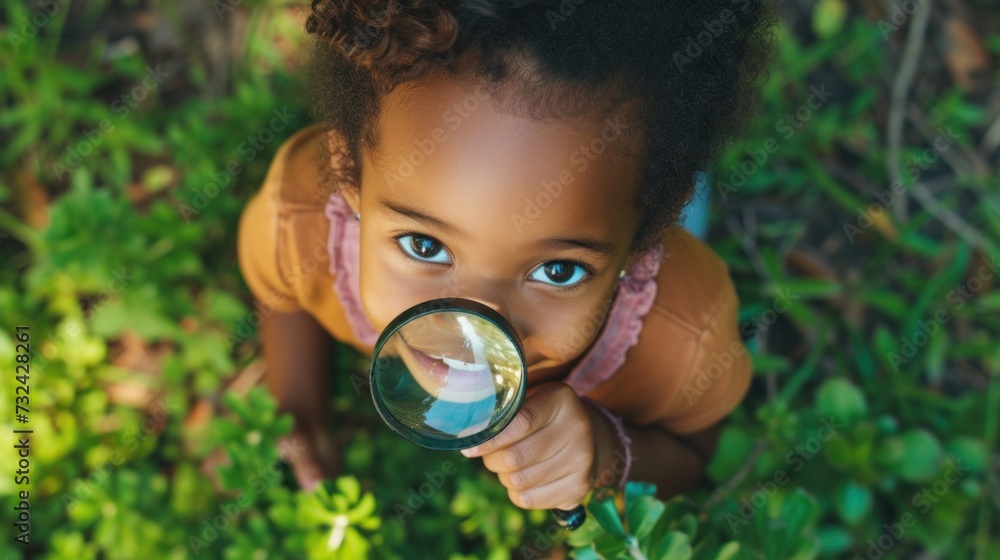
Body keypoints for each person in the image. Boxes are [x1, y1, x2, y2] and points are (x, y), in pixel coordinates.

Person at [237, 0, 777, 512]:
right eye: (424, 246)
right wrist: (300, 409)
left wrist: (604, 455)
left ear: (644, 240)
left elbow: (691, 449)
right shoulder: (300, 222)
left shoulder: (684, 334)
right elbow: (281, 292)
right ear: (349, 174)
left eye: (557, 270)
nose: (471, 332)